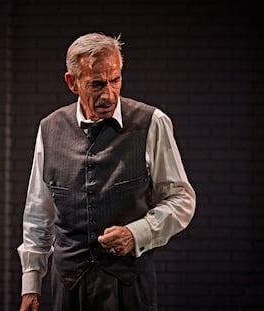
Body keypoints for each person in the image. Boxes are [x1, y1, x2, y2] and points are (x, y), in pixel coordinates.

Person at [17, 32, 196, 311]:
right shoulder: (49, 129)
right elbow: (39, 212)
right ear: (72, 83)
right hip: (68, 284)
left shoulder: (152, 122)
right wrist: (31, 284)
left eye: (116, 80)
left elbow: (182, 199)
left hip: (129, 284)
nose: (109, 94)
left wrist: (137, 233)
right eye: (97, 84)